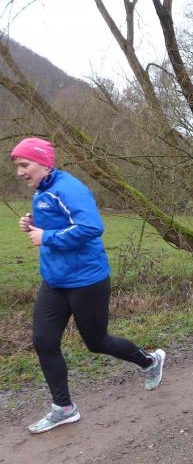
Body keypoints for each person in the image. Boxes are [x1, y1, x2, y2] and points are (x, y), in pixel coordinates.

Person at [11, 137, 166, 434]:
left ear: (44, 163)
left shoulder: (70, 188)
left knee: (97, 342)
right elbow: (60, 219)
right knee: (44, 341)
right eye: (17, 166)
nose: (19, 172)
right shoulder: (43, 189)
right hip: (54, 281)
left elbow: (91, 227)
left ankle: (149, 361)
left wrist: (46, 237)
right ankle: (63, 408)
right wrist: (32, 223)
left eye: (24, 165)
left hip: (86, 280)